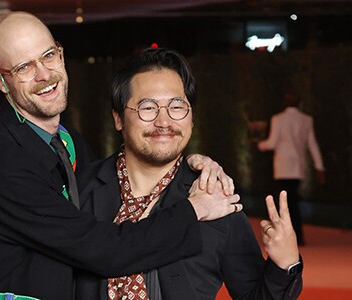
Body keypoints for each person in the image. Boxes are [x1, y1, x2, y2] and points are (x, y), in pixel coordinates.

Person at [0, 12, 241, 300]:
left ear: (61, 55)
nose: (45, 74)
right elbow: (103, 250)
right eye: (24, 68)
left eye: (48, 56)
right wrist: (194, 209)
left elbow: (117, 172)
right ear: (0, 82)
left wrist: (189, 161)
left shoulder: (65, 141)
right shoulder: (1, 164)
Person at [75, 48, 303, 300]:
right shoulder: (79, 189)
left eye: (177, 106)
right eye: (148, 107)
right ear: (118, 118)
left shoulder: (217, 198)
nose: (164, 121)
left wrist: (285, 264)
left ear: (191, 118)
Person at [258, 91, 325, 246]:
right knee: (292, 201)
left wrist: (260, 144)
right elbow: (312, 144)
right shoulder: (306, 119)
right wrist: (319, 167)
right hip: (297, 167)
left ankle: (289, 237)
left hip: (282, 167)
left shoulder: (278, 119)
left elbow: (272, 143)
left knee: (285, 202)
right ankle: (297, 236)